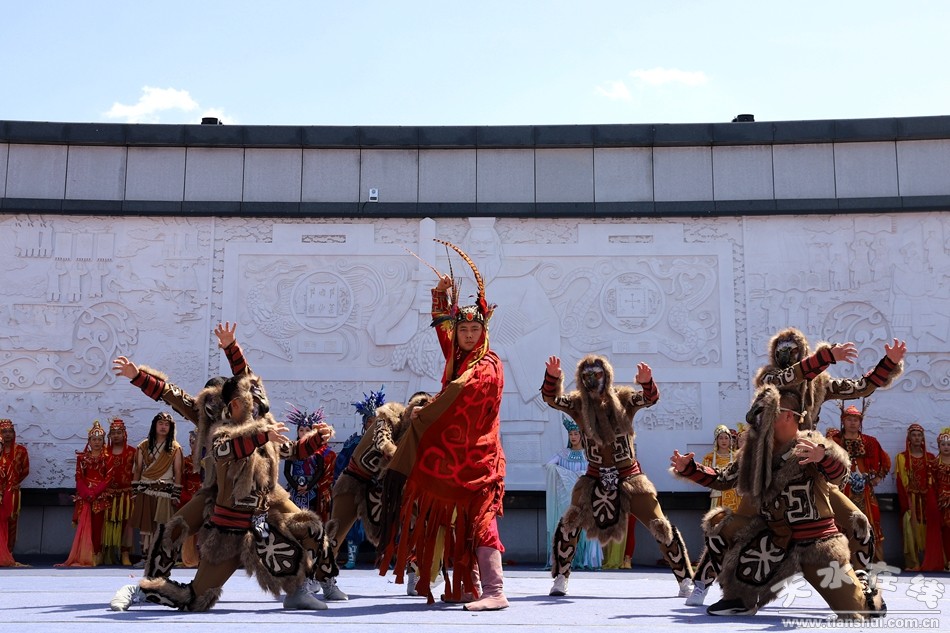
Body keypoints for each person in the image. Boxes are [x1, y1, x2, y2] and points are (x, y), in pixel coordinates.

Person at [121, 372, 337, 611]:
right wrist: (138, 376)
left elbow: (291, 449)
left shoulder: (264, 429)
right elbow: (223, 446)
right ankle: (149, 587)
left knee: (311, 529)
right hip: (226, 511)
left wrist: (317, 439)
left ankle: (310, 586)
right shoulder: (221, 431)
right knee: (177, 539)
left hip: (262, 507)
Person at [671, 386, 884, 620]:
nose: (760, 421)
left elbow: (841, 475)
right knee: (719, 523)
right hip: (772, 540)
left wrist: (822, 457)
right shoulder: (754, 453)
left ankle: (866, 587)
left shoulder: (813, 443)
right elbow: (724, 479)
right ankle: (739, 597)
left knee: (857, 611)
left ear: (788, 416)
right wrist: (689, 469)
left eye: (768, 414)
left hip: (817, 544)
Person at [379, 245, 508, 612]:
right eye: (462, 329)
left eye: (474, 329)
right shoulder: (460, 357)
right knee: (460, 524)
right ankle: (472, 587)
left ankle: (496, 591)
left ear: (484, 331)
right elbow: (443, 331)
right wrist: (440, 293)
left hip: (481, 460)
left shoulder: (488, 366)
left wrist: (428, 412)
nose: (466, 334)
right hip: (456, 461)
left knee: (482, 521)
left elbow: (459, 395)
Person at [541, 353, 693, 598]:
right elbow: (552, 399)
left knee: (660, 525)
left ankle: (685, 580)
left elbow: (649, 398)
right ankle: (561, 578)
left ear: (607, 376)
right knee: (570, 523)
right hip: (593, 478)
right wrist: (552, 378)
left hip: (629, 477)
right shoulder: (578, 403)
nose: (592, 380)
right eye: (587, 376)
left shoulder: (624, 398)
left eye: (597, 374)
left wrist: (647, 382)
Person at [753, 328, 904, 572]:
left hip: (808, 460)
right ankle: (701, 582)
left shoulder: (819, 384)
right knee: (740, 527)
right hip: (771, 466)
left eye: (791, 350)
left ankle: (861, 580)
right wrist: (826, 357)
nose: (785, 355)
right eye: (781, 351)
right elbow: (790, 377)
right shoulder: (770, 379)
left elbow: (860, 387)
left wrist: (888, 364)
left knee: (858, 523)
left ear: (802, 352)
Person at [323, 392, 408, 601]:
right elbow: (382, 438)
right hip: (354, 482)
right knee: (335, 534)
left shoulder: (412, 435)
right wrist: (390, 449)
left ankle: (418, 574)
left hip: (382, 493)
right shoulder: (386, 419)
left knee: (418, 525)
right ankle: (316, 578)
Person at [827, 402, 890, 561]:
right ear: (843, 421)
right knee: (842, 521)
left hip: (865, 490)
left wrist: (877, 478)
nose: (852, 423)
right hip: (842, 488)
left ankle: (873, 559)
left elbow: (885, 460)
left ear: (860, 422)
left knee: (870, 520)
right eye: (849, 419)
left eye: (856, 420)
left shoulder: (870, 441)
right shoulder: (834, 441)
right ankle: (842, 559)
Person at [544, 417, 603, 571]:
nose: (573, 437)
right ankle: (565, 558)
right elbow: (549, 466)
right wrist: (565, 474)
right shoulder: (563, 454)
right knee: (567, 525)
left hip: (585, 497)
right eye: (571, 434)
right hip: (566, 497)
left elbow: (597, 471)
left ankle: (586, 559)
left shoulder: (589, 454)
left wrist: (582, 475)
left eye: (576, 434)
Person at [129, 411, 183, 561]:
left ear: (171, 428)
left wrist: (176, 494)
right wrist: (135, 492)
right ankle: (146, 558)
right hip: (145, 490)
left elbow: (178, 472)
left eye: (167, 424)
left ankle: (160, 558)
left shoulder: (175, 448)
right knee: (146, 526)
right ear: (154, 425)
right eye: (160, 423)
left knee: (162, 526)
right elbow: (138, 469)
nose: (163, 427)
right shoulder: (143, 446)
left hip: (165, 492)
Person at [61, 420, 113, 567]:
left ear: (103, 441)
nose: (97, 442)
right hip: (85, 496)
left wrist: (95, 492)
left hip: (100, 496)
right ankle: (83, 553)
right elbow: (79, 477)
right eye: (94, 439)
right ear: (89, 441)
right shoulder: (82, 458)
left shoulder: (108, 458)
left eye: (99, 439)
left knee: (97, 526)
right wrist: (86, 493)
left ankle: (96, 554)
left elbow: (108, 478)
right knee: (84, 526)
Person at [894, 423, 943, 571]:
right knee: (910, 528)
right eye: (914, 435)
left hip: (928, 499)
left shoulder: (931, 457)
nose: (916, 438)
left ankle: (931, 561)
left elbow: (936, 481)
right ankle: (913, 563)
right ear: (909, 438)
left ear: (923, 438)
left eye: (919, 435)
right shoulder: (902, 457)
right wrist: (907, 502)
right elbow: (901, 481)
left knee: (929, 529)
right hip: (911, 498)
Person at [103, 418, 136, 566]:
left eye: (119, 432)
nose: (116, 435)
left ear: (124, 434)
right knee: (107, 523)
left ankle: (125, 553)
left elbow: (137, 472)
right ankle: (107, 553)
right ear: (109, 435)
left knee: (126, 524)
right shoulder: (104, 452)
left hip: (126, 495)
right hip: (107, 494)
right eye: (113, 433)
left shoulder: (132, 452)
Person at [0, 418, 29, 566]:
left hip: (12, 493)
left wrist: (14, 483)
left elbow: (25, 470)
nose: (7, 434)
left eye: (10, 431)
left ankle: (8, 553)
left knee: (12, 521)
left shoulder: (21, 451)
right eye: (4, 431)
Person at [702, 425, 740, 512]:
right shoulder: (709, 458)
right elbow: (705, 477)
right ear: (716, 440)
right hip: (718, 493)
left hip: (734, 493)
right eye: (721, 438)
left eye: (726, 438)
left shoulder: (736, 457)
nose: (724, 441)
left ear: (730, 440)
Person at [179, 429, 202, 567]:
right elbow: (181, 481)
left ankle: (204, 557)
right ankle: (190, 558)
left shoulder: (210, 462)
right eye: (193, 443)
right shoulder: (186, 462)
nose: (196, 446)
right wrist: (187, 498)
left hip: (206, 498)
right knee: (190, 528)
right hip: (189, 498)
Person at [934, 428, 950, 571]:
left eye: (949, 444)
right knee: (944, 532)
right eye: (943, 444)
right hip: (941, 503)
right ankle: (946, 561)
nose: (946, 447)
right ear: (939, 446)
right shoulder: (934, 464)